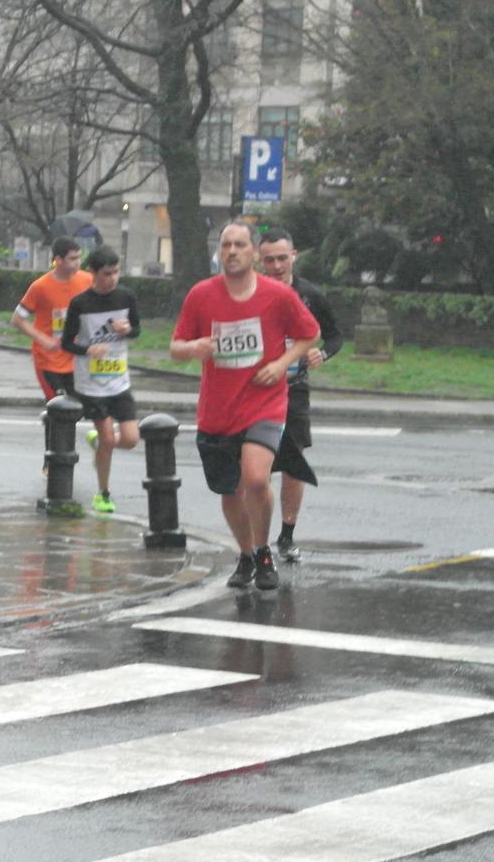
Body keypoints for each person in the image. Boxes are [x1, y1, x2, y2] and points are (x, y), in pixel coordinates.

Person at [168, 220, 319, 593]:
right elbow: (175, 348)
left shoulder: (276, 295)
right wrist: (194, 348)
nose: (231, 252)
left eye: (239, 245)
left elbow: (309, 333)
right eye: (225, 246)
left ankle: (264, 549)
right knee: (230, 491)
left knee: (254, 478)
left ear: (253, 253)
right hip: (218, 410)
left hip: (264, 402)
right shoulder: (201, 295)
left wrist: (281, 365)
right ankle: (246, 553)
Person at [257, 229, 343, 562]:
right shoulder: (251, 292)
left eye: (282, 258)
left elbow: (335, 336)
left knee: (294, 464)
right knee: (256, 465)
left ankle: (287, 535)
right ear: (260, 261)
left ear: (293, 256)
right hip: (257, 391)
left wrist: (324, 353)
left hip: (294, 390)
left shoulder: (310, 295)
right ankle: (255, 539)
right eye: (269, 259)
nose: (276, 265)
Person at [59, 247, 142, 515]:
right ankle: (103, 493)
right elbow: (65, 343)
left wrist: (128, 329)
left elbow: (137, 330)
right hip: (91, 383)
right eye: (107, 274)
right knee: (107, 439)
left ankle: (100, 443)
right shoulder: (80, 304)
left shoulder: (126, 297)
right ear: (93, 273)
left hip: (119, 380)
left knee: (130, 439)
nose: (113, 278)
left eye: (116, 272)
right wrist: (87, 350)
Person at [12, 237, 92, 403]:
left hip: (75, 359)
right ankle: (51, 425)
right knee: (58, 406)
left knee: (76, 407)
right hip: (48, 359)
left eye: (79, 257)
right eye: (73, 258)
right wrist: (43, 339)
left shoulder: (87, 281)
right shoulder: (40, 287)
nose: (78, 262)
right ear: (58, 259)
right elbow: (17, 319)